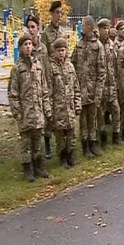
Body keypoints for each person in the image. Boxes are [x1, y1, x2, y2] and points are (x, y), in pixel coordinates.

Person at [8, 34, 52, 182]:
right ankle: (27, 169)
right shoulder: (17, 68)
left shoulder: (38, 65)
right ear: (20, 48)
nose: (28, 46)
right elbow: (13, 94)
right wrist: (17, 114)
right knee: (26, 143)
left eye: (29, 44)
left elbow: (44, 89)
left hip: (38, 112)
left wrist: (46, 108)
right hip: (25, 113)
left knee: (37, 142)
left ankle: (38, 166)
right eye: (25, 44)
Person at [71, 16, 106, 157]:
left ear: (89, 27)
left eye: (84, 25)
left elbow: (102, 72)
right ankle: (85, 145)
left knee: (92, 119)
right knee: (83, 121)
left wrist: (98, 93)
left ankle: (93, 143)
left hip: (92, 90)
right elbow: (72, 64)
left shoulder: (98, 46)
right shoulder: (78, 45)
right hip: (80, 90)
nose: (82, 28)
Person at [48, 38, 81, 168]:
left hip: (70, 108)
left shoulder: (70, 66)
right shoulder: (51, 67)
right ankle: (62, 157)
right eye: (59, 51)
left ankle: (70, 154)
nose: (61, 53)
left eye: (63, 50)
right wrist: (50, 110)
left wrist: (77, 104)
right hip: (58, 109)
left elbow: (76, 87)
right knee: (60, 136)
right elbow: (48, 91)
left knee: (71, 134)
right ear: (54, 52)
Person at [40, 0, 66, 159]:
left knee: (62, 107)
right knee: (50, 109)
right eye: (57, 13)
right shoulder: (46, 34)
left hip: (61, 75)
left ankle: (62, 142)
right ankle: (48, 141)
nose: (59, 16)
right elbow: (43, 55)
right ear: (51, 14)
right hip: (50, 74)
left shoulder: (62, 32)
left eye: (61, 13)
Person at [97, 18, 121, 146]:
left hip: (112, 85)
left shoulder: (112, 45)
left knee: (116, 111)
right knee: (100, 115)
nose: (106, 31)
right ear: (99, 29)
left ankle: (116, 136)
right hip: (101, 87)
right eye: (104, 28)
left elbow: (116, 65)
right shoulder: (96, 46)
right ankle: (103, 138)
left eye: (108, 28)